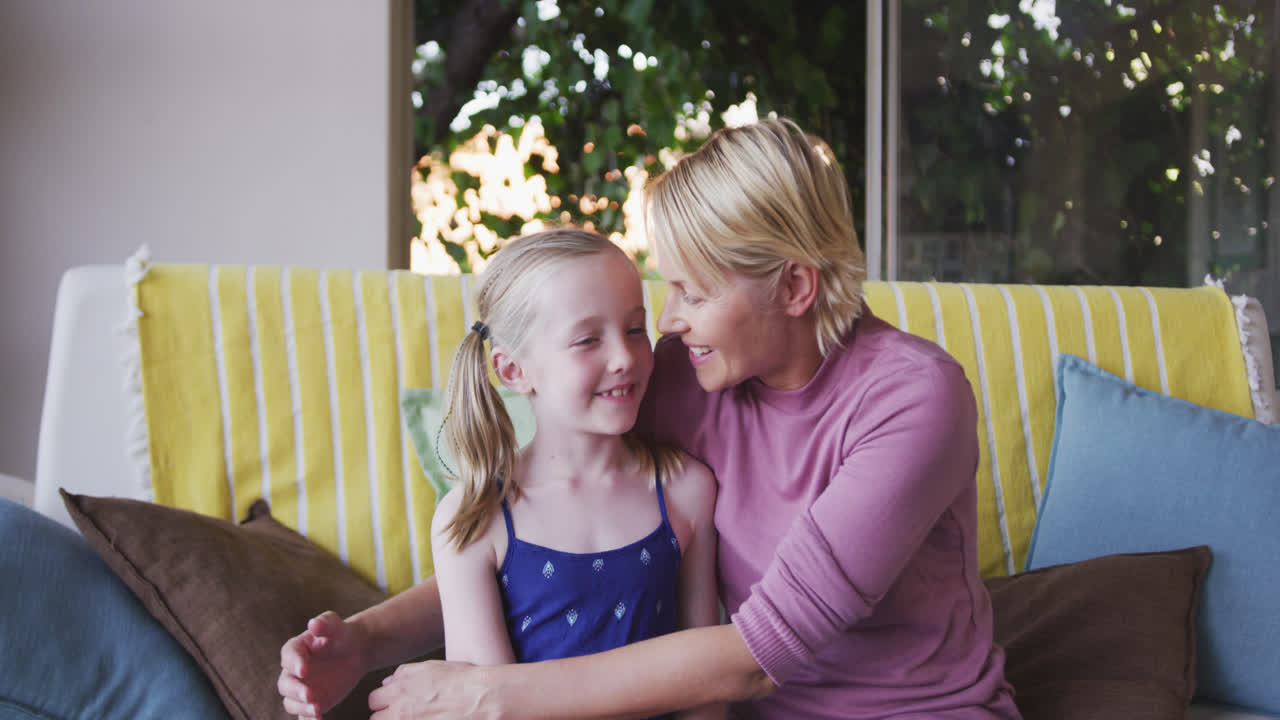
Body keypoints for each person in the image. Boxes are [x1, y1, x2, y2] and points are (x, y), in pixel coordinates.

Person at [279, 118, 1022, 719]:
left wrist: (492, 696)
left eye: (693, 294)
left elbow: (759, 656)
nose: (665, 324)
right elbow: (543, 559)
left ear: (795, 287)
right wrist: (367, 640)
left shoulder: (913, 400)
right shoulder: (682, 377)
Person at [278, 228, 722, 720]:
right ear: (513, 371)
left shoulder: (687, 491)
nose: (624, 357)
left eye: (635, 329)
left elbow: (706, 687)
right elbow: (480, 705)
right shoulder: (474, 518)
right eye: (587, 339)